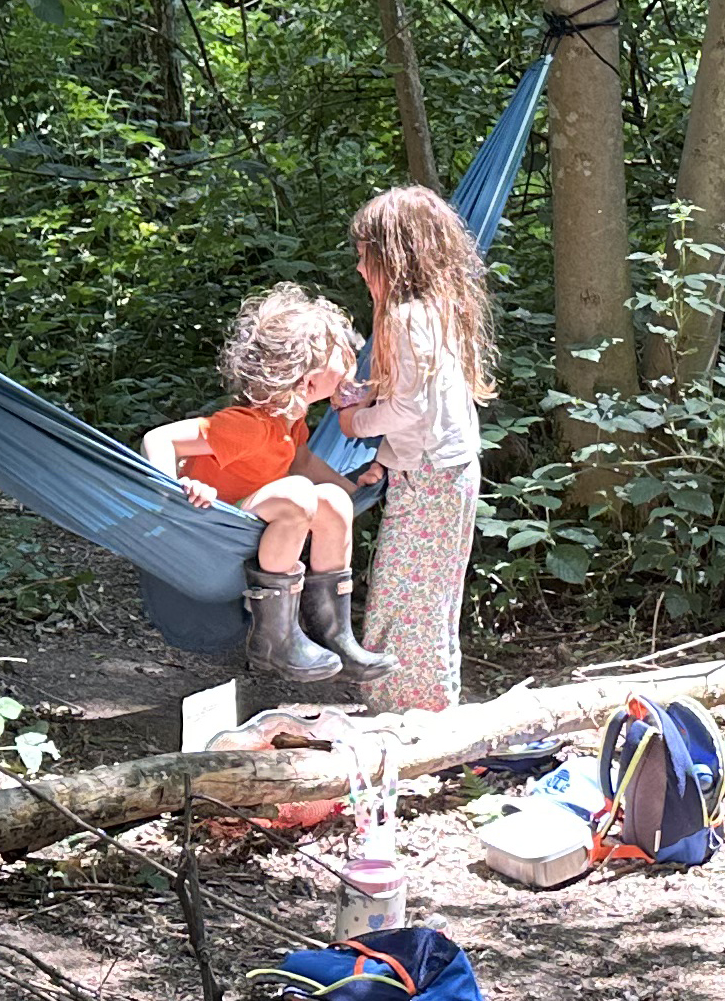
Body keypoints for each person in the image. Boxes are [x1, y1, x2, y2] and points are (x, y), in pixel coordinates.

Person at [140, 283, 397, 683]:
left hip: (254, 524)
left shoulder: (289, 422)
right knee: (297, 494)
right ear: (307, 380)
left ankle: (335, 638)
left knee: (331, 500)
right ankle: (274, 641)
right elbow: (160, 438)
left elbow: (303, 461)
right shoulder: (246, 426)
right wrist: (172, 496)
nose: (349, 359)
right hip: (214, 529)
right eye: (338, 354)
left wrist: (353, 488)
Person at [331, 186, 494, 713]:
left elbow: (410, 414)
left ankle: (406, 709)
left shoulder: (403, 320)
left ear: (394, 255)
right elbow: (430, 406)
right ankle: (427, 699)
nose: (359, 268)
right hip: (445, 470)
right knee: (429, 594)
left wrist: (355, 423)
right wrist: (385, 458)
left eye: (365, 256)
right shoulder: (437, 309)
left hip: (432, 479)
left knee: (405, 595)